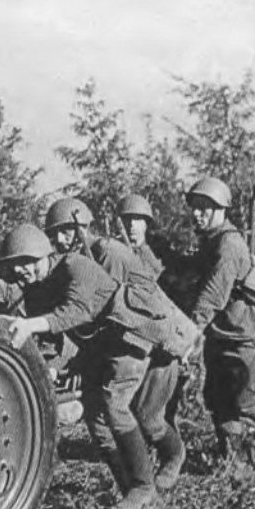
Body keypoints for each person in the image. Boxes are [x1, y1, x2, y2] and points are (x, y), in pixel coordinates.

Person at [0, 223, 195, 509]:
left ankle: (145, 487)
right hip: (100, 348)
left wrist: (30, 324)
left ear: (45, 255)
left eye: (28, 263)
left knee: (116, 405)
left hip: (129, 339)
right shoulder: (37, 289)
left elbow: (75, 312)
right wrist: (52, 367)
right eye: (16, 267)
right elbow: (56, 338)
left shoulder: (76, 266)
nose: (22, 271)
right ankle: (128, 486)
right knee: (95, 415)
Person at [44, 198, 187, 491]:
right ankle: (131, 487)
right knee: (97, 414)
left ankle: (173, 456)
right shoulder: (74, 263)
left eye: (65, 231)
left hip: (155, 344)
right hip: (121, 345)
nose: (59, 240)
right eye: (54, 234)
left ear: (81, 226)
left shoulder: (107, 254)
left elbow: (117, 310)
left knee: (149, 420)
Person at [184, 177, 255, 464]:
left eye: (206, 207)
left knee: (245, 400)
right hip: (221, 335)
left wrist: (188, 335)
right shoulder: (209, 242)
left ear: (221, 210)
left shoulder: (229, 244)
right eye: (195, 207)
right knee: (219, 399)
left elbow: (213, 295)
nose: (198, 213)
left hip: (247, 338)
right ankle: (236, 463)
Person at [116, 193, 164, 281]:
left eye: (137, 218)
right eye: (127, 218)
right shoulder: (115, 249)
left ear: (146, 224)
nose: (131, 224)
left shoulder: (152, 255)